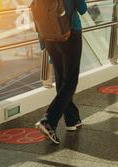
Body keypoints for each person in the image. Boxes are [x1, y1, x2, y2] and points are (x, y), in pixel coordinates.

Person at [36, 0, 88, 145]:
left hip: (48, 36)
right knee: (71, 80)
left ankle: (71, 119)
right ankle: (49, 121)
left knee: (61, 79)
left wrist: (43, 43)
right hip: (69, 33)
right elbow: (83, 9)